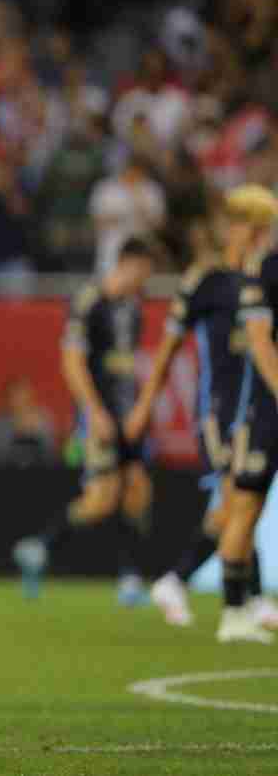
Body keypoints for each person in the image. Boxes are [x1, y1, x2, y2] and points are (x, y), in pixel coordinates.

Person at [124, 217, 278, 629]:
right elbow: (168, 348)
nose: (256, 237)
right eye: (249, 228)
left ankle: (203, 587)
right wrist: (144, 404)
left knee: (241, 505)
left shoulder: (265, 280)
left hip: (254, 412)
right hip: (217, 412)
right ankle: (216, 589)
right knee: (235, 502)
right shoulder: (207, 282)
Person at [13, 238, 156, 604]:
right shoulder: (89, 301)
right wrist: (93, 411)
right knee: (101, 499)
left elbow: (125, 369)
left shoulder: (133, 309)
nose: (146, 280)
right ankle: (41, 546)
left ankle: (129, 578)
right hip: (99, 416)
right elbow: (72, 363)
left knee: (137, 490)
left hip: (126, 415)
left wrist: (138, 409)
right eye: (144, 271)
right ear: (129, 264)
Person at [213, 185, 278, 643]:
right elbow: (259, 344)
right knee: (245, 507)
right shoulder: (261, 272)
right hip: (262, 411)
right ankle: (233, 611)